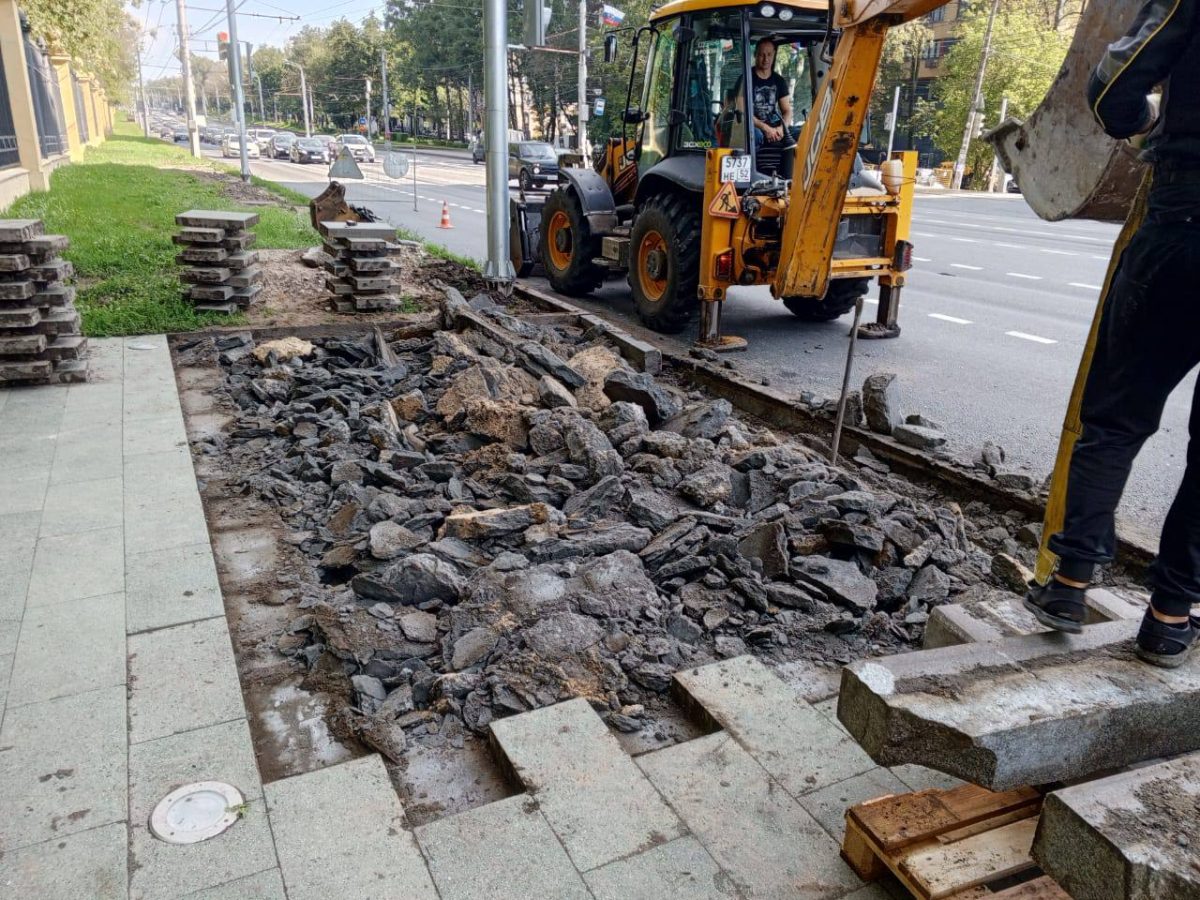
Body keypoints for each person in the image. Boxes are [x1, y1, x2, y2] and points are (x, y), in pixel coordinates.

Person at [1024, 0, 1200, 667]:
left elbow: (1114, 85)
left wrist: (1143, 119)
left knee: (1116, 418)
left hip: (1183, 222)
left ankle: (1068, 586)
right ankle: (1170, 618)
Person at [737, 37, 793, 150]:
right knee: (754, 136)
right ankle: (753, 167)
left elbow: (787, 111)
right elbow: (741, 111)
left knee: (801, 133)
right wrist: (765, 128)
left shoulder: (779, 81)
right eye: (762, 55)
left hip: (774, 125)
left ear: (774, 55)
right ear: (755, 55)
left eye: (769, 54)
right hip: (753, 125)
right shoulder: (745, 79)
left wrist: (782, 129)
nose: (765, 59)